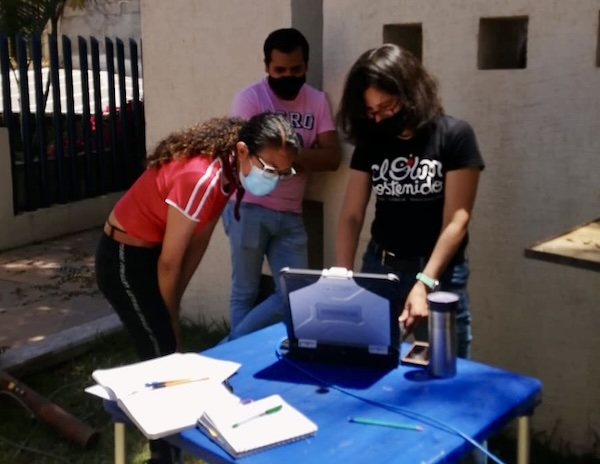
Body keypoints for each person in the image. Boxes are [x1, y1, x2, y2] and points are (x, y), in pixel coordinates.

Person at [94, 112, 299, 464]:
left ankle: (168, 450)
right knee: (161, 356)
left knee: (167, 350)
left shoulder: (229, 172)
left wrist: (173, 305)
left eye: (283, 173)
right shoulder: (201, 177)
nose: (274, 179)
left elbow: (198, 241)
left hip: (151, 254)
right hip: (124, 260)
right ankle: (164, 456)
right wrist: (170, 312)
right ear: (243, 150)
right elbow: (171, 262)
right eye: (270, 169)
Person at [335, 44, 485, 359]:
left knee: (444, 368)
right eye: (371, 112)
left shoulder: (454, 136)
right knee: (370, 360)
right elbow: (351, 214)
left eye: (387, 106)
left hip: (438, 274)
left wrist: (424, 283)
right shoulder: (372, 141)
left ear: (411, 92)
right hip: (380, 267)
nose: (380, 118)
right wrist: (343, 276)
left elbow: (456, 220)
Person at [223, 28, 341, 340]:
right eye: (279, 70)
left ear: (306, 66)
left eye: (296, 70)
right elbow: (240, 155)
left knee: (295, 292)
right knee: (244, 292)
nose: (288, 76)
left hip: (290, 211)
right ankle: (238, 360)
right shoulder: (250, 99)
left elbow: (332, 157)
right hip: (247, 207)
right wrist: (298, 157)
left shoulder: (316, 101)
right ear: (266, 67)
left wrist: (286, 154)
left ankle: (225, 350)